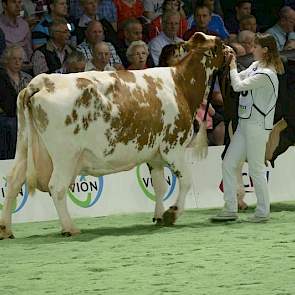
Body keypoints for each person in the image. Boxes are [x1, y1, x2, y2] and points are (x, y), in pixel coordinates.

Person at [211, 33, 284, 223]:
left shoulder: (267, 74)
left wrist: (233, 66)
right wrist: (231, 60)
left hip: (257, 126)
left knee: (256, 169)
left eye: (256, 46)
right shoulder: (256, 66)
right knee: (228, 163)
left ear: (265, 50)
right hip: (245, 124)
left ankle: (262, 212)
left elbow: (238, 85)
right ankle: (230, 208)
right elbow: (238, 76)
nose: (252, 49)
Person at [0, 45, 32, 159]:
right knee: (12, 125)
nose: (18, 62)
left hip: (25, 114)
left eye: (20, 59)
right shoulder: (2, 77)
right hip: (7, 115)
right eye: (14, 59)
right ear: (7, 60)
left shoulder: (28, 78)